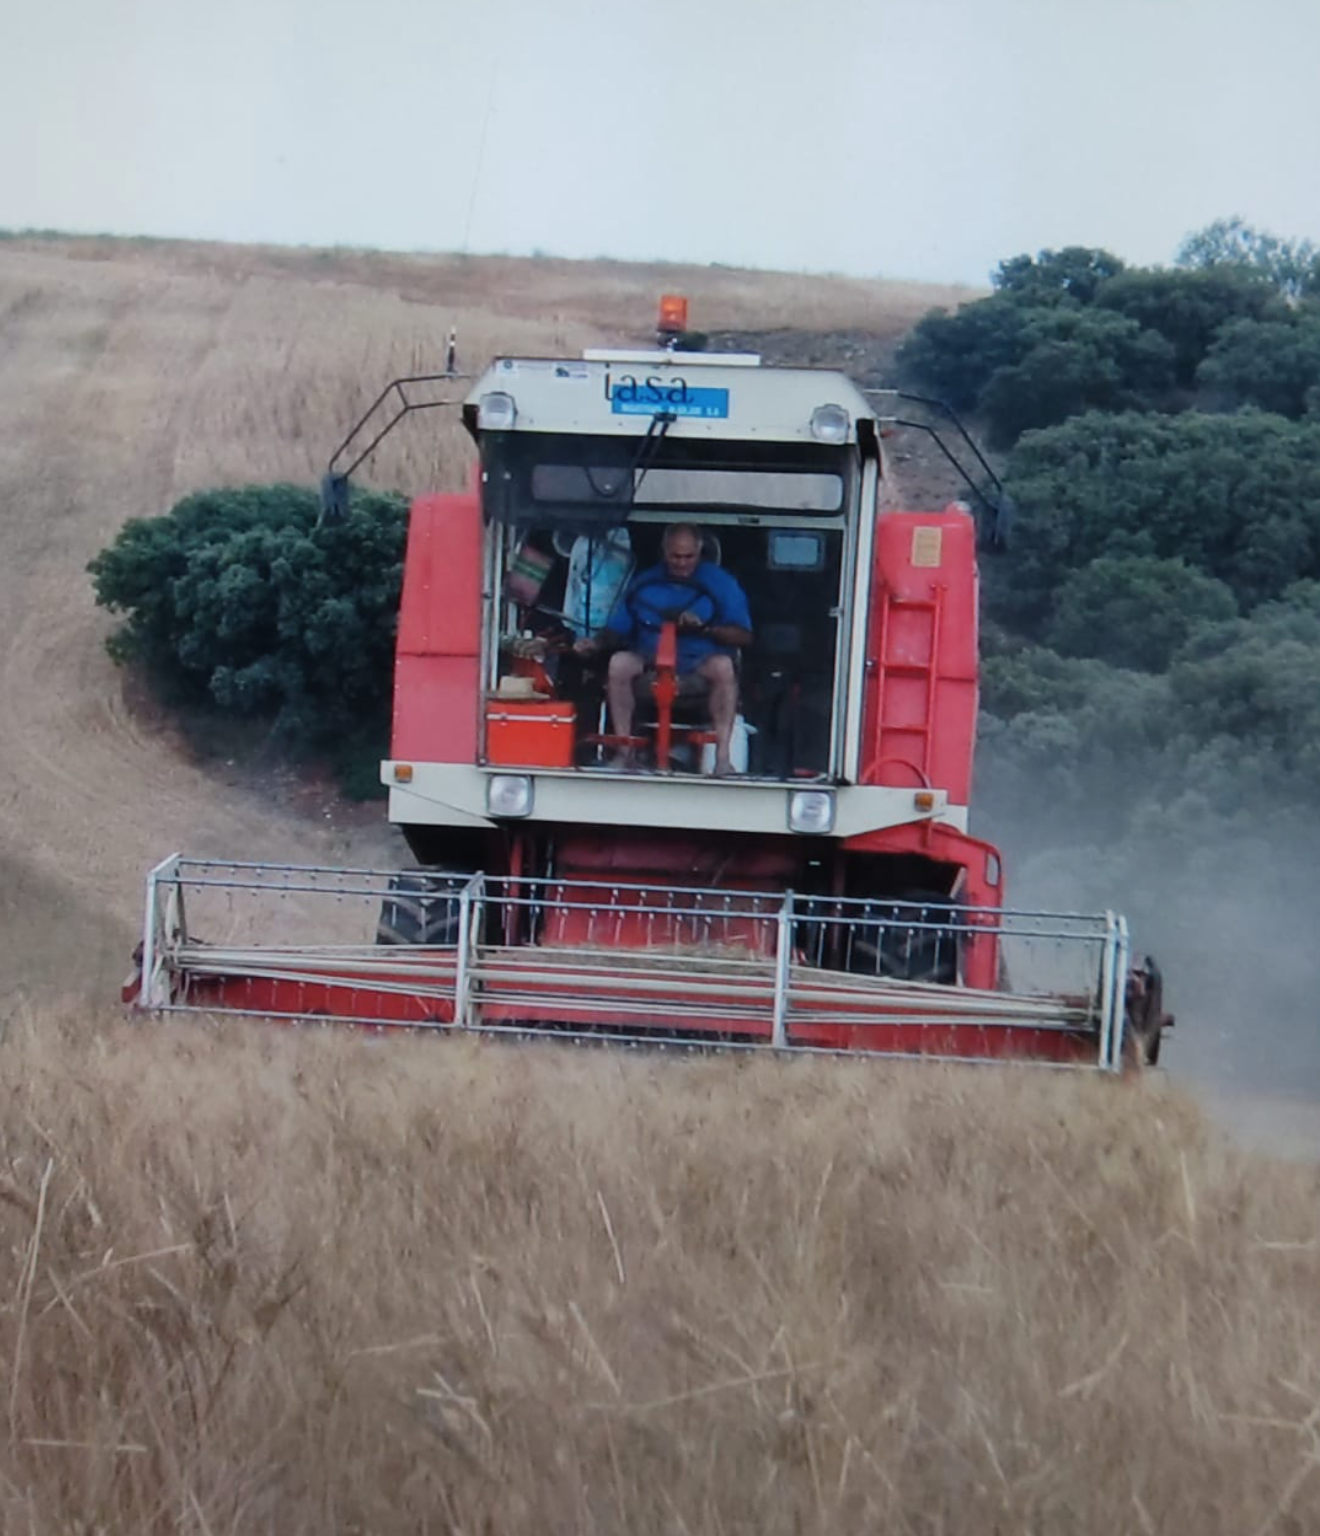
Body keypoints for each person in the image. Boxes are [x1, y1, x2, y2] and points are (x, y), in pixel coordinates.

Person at [575, 523, 752, 775]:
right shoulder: (644, 582)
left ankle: (722, 759)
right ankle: (625, 753)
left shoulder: (721, 583)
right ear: (664, 552)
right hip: (649, 661)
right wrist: (595, 643)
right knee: (619, 664)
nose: (682, 563)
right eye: (675, 556)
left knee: (723, 666)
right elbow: (618, 628)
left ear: (700, 551)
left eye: (688, 556)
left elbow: (744, 636)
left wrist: (705, 629)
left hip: (698, 663)